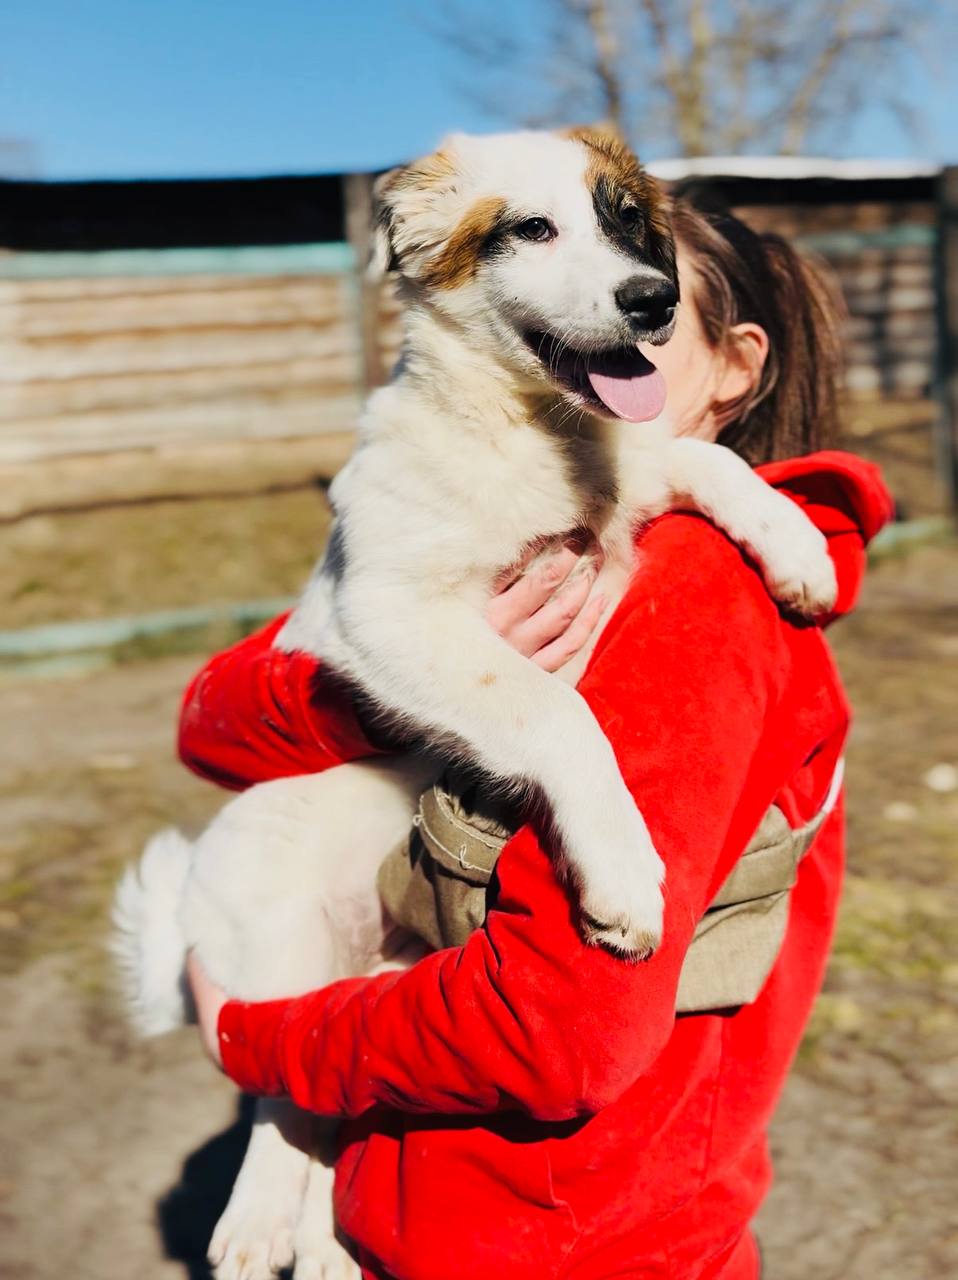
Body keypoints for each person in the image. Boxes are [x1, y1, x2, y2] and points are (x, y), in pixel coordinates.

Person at [181, 199, 893, 1280]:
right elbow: (215, 723)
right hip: (451, 1208)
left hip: (567, 1239)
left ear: (734, 369)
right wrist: (389, 693)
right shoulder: (527, 506)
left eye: (648, 308)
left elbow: (559, 1030)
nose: (594, 318)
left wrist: (260, 1040)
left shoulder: (691, 591)